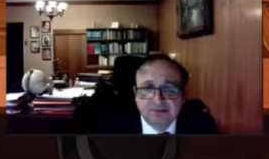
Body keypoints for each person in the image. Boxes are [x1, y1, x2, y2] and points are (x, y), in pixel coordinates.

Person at [91, 54, 219, 135]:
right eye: (147, 88)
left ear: (183, 96)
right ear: (135, 94)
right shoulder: (109, 130)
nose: (158, 100)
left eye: (169, 89)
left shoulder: (204, 127)